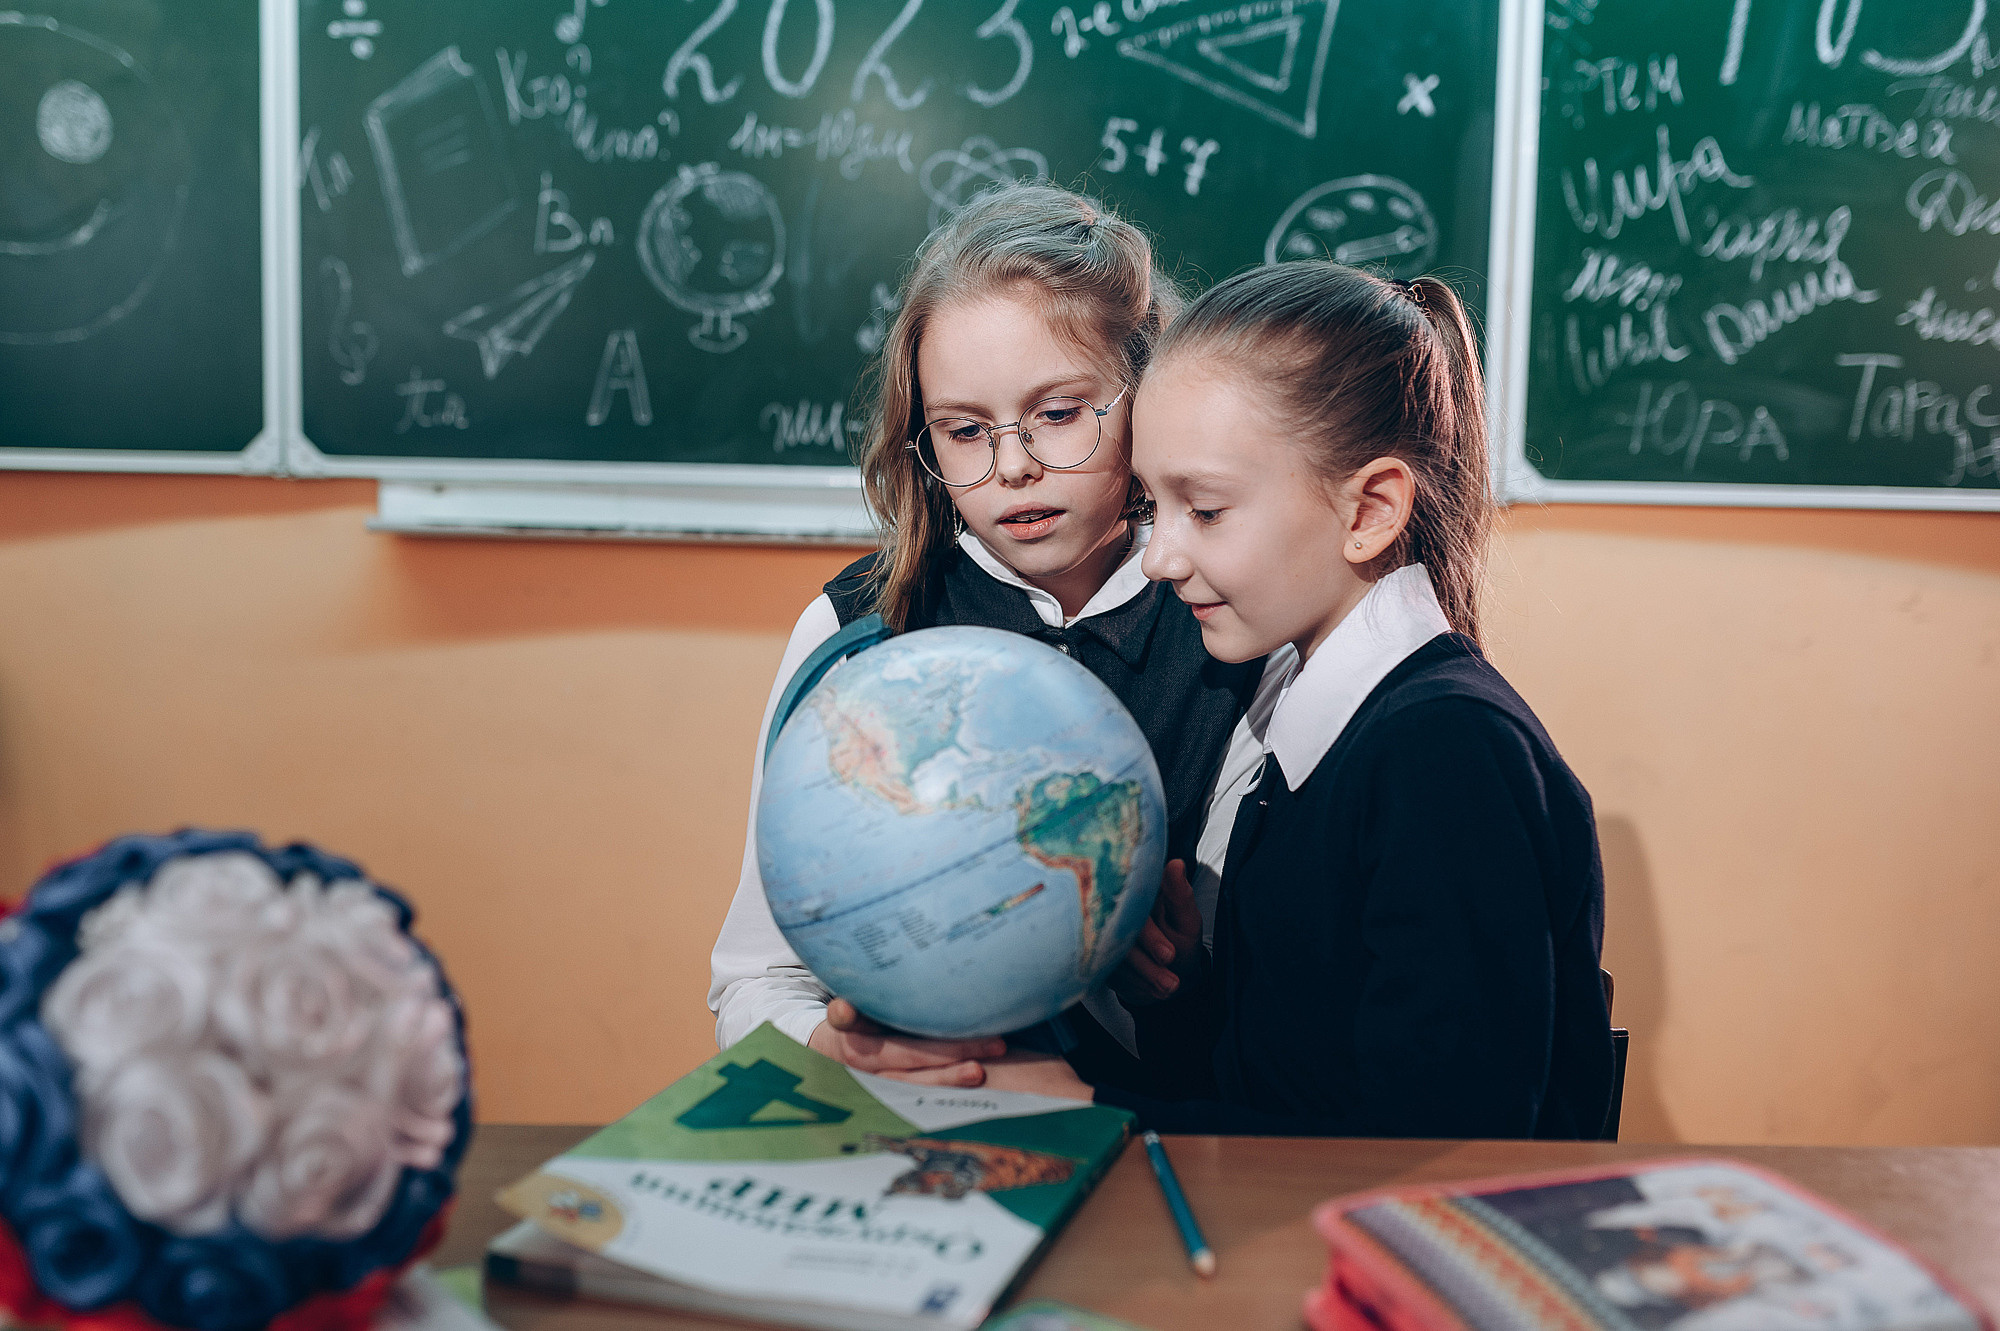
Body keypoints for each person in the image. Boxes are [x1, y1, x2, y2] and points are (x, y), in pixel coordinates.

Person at [985, 261, 1617, 1139]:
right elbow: (1301, 1076)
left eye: (1203, 510)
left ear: (1370, 511)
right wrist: (1193, 990)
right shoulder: (1312, 729)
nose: (1160, 559)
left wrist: (1088, 1109)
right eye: (1152, 505)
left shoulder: (1445, 755)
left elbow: (1430, 1148)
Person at [707, 182, 1270, 1091]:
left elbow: (1273, 1005)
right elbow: (754, 982)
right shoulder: (854, 630)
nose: (1012, 465)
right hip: (907, 1153)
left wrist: (1180, 982)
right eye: (964, 431)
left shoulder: (1233, 627)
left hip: (1149, 1152)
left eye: (1058, 413)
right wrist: (836, 1054)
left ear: (1148, 390)